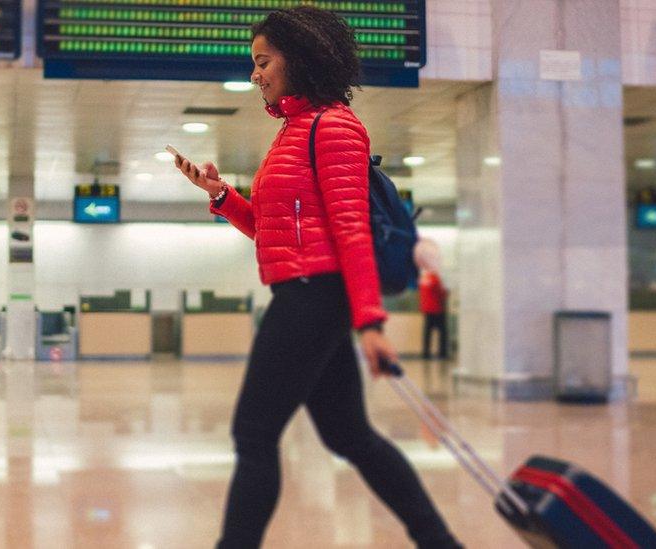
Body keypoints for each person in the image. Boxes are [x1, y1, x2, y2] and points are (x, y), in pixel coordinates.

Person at [171, 7, 462, 549]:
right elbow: (271, 229)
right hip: (307, 291)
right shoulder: (290, 132)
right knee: (350, 435)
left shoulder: (334, 127)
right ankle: (439, 541)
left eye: (263, 61)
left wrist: (371, 321)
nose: (255, 73)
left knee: (254, 434)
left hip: (313, 296)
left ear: (298, 59)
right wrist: (220, 196)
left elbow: (351, 228)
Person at [415, 239, 449, 360]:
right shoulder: (435, 277)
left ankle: (426, 353)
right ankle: (442, 353)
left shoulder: (423, 278)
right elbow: (442, 293)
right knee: (442, 333)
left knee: (427, 333)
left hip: (426, 309)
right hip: (437, 309)